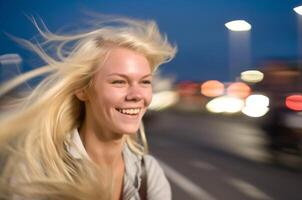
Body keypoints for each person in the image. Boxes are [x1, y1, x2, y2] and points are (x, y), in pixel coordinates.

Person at [0, 16, 176, 200]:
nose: (137, 95)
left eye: (145, 82)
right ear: (82, 90)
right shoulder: (37, 170)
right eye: (119, 81)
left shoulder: (150, 175)